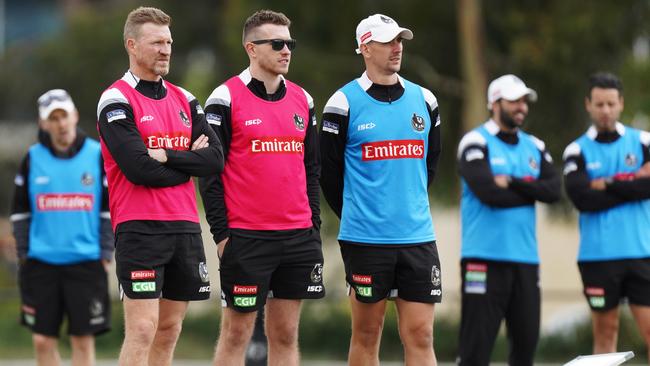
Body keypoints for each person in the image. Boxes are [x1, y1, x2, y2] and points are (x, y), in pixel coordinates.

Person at [96, 7, 223, 366]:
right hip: (139, 228)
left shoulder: (186, 99)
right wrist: (187, 162)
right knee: (142, 330)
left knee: (168, 329)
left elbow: (215, 160)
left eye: (168, 42)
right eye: (156, 43)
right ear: (132, 45)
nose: (166, 49)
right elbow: (138, 169)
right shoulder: (116, 99)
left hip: (184, 225)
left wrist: (166, 155)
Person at [198, 9, 324, 366]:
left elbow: (311, 167)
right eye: (278, 43)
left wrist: (313, 223)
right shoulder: (225, 97)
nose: (287, 51)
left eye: (290, 43)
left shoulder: (303, 98)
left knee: (285, 334)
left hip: (297, 236)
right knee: (236, 334)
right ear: (251, 49)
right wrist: (222, 235)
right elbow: (209, 173)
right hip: (246, 238)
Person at [320, 14, 442, 365]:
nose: (397, 48)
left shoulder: (426, 100)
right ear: (365, 48)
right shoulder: (343, 104)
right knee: (367, 334)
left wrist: (405, 204)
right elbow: (329, 174)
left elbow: (429, 165)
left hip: (417, 237)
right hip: (365, 240)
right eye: (389, 41)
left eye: (400, 40)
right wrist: (360, 213)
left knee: (421, 334)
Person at [456, 74, 560, 365]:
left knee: (525, 348)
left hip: (525, 260)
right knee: (476, 349)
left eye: (524, 101)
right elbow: (489, 192)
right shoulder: (475, 141)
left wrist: (512, 181)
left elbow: (553, 192)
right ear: (494, 103)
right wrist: (531, 190)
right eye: (514, 100)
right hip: (483, 259)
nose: (521, 107)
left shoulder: (535, 147)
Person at [11, 88, 112, 366]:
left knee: (82, 339)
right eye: (53, 118)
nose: (60, 124)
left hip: (86, 263)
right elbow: (20, 213)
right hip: (41, 264)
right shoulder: (32, 158)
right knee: (42, 340)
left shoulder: (96, 155)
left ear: (75, 116)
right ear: (44, 123)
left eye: (64, 116)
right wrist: (23, 254)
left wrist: (105, 253)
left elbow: (108, 210)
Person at [563, 72, 650, 358]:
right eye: (599, 104)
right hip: (597, 256)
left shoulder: (643, 142)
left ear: (621, 103)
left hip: (641, 253)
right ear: (588, 104)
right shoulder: (577, 150)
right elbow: (583, 199)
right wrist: (633, 181)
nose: (606, 111)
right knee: (605, 334)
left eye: (611, 104)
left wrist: (609, 182)